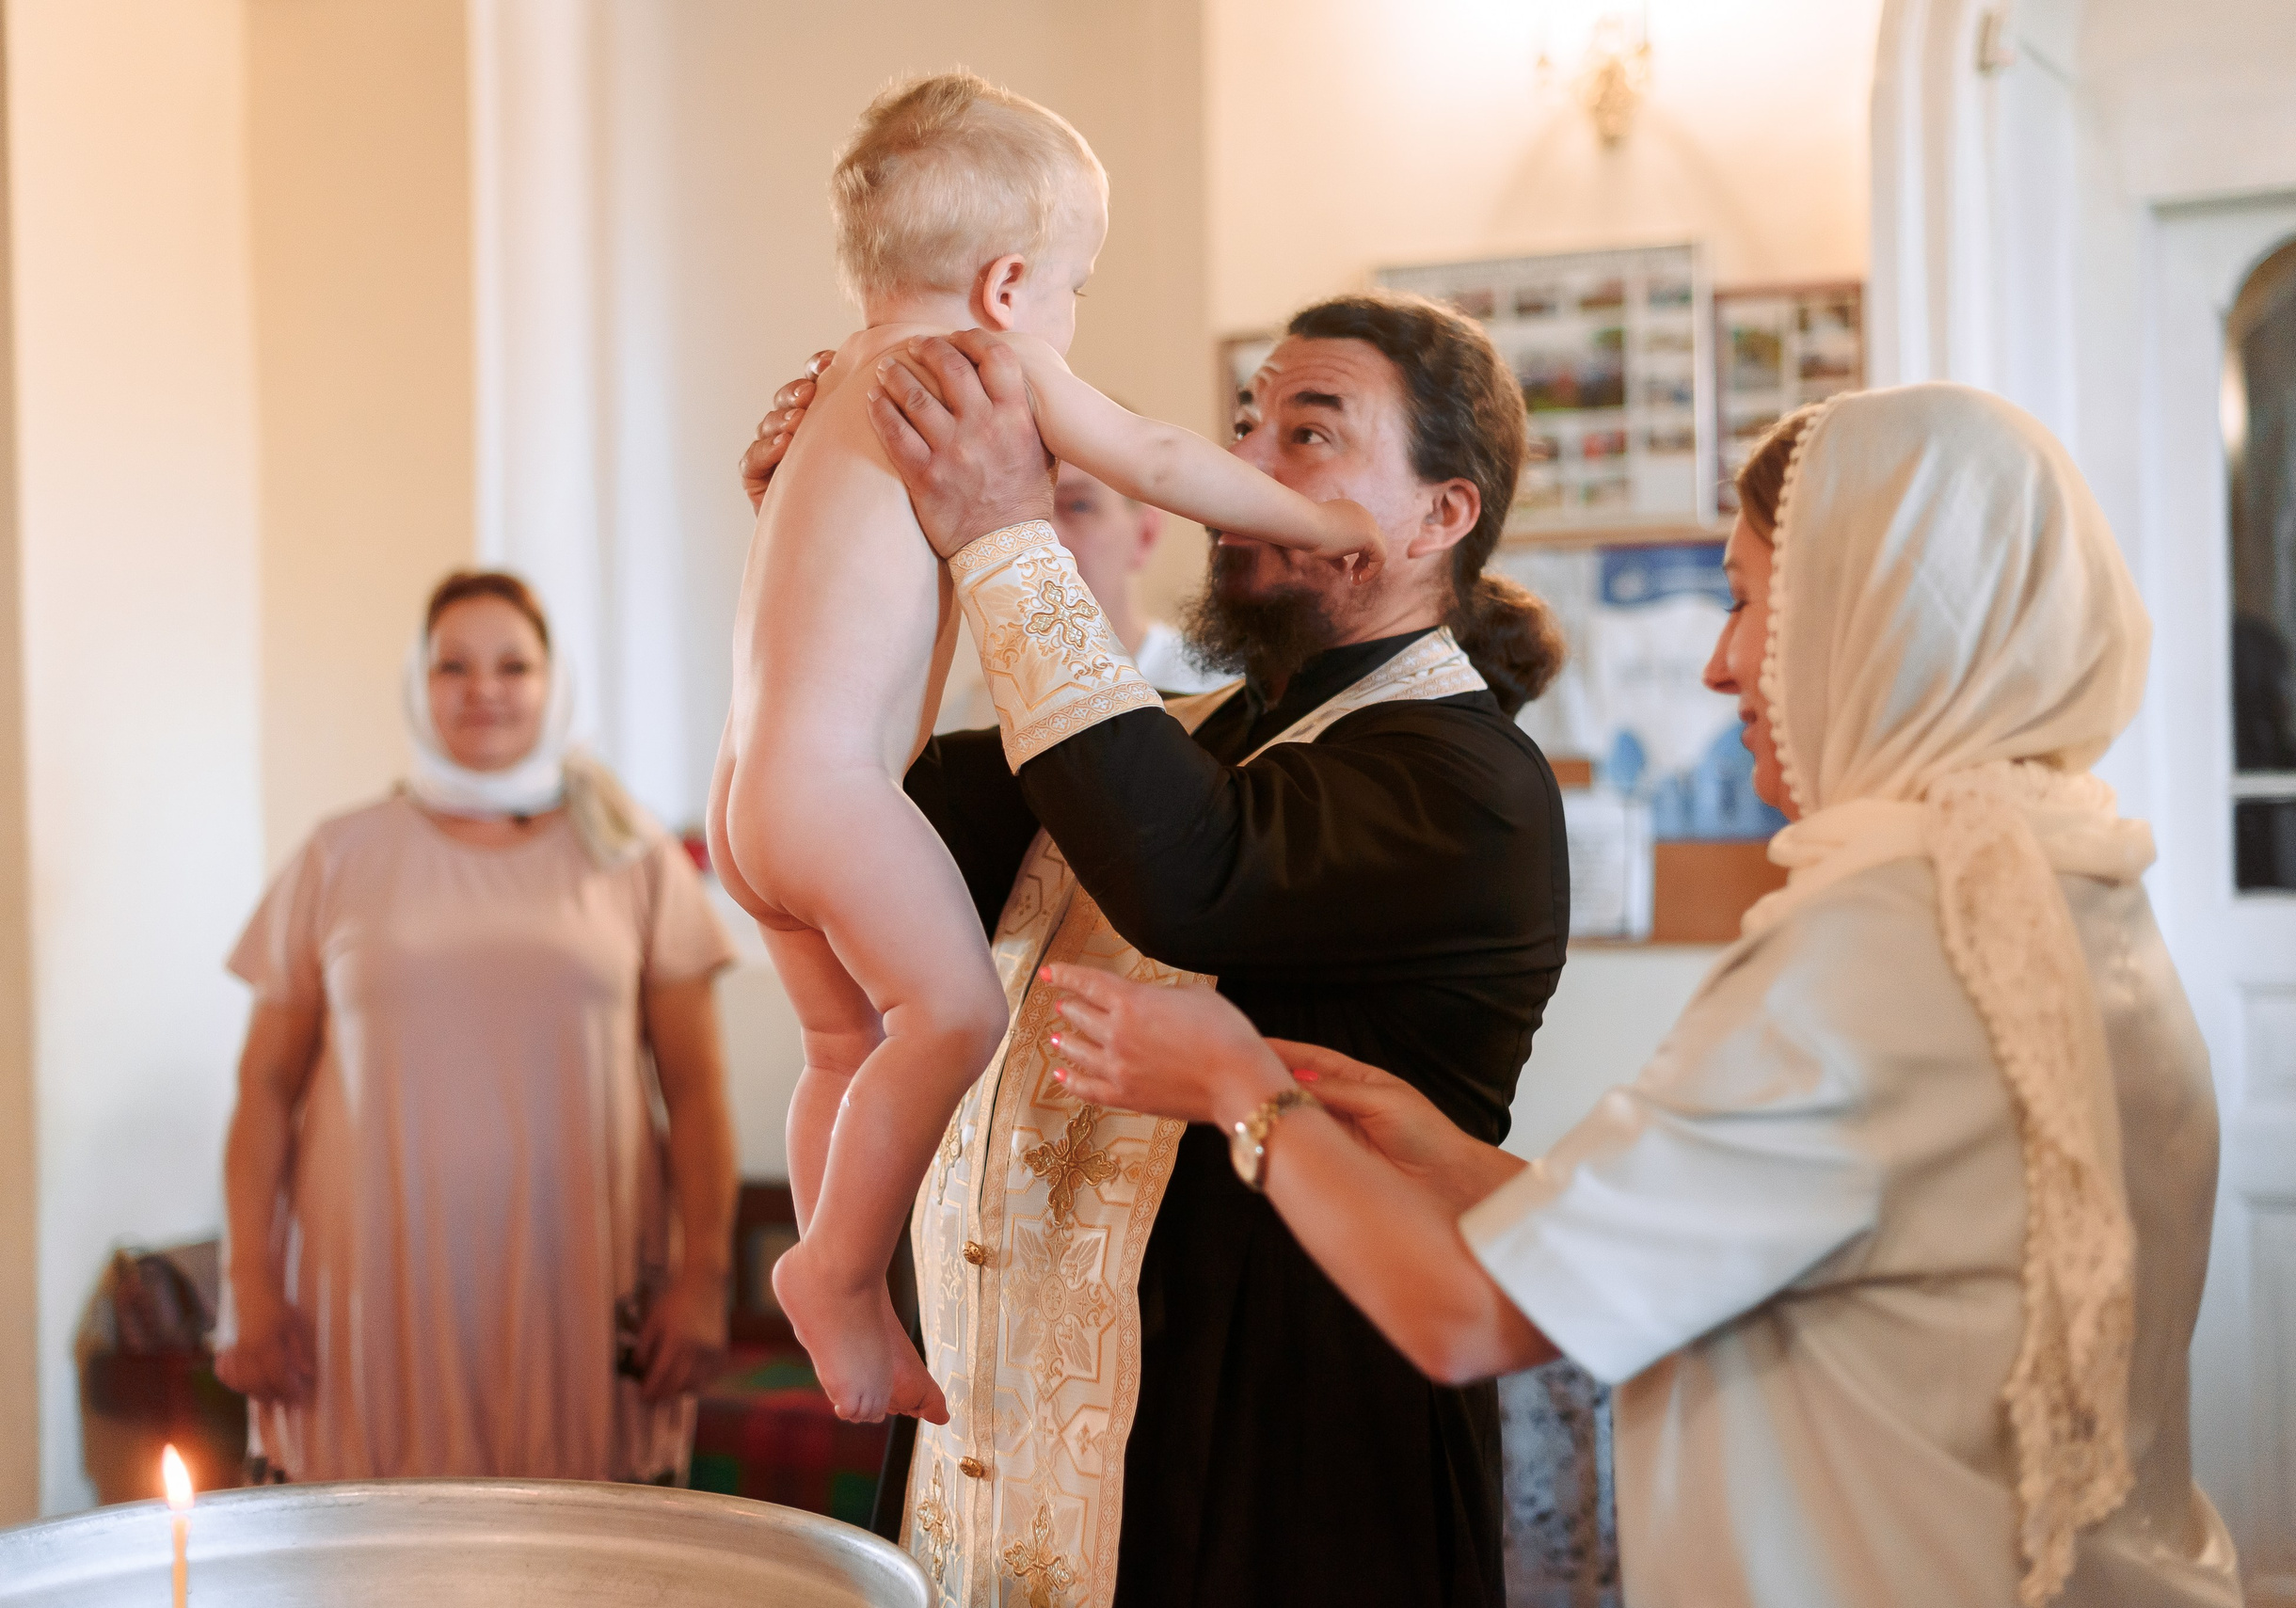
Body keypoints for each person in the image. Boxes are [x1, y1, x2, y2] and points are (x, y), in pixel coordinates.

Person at [1036, 385, 2244, 1608]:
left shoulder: (1887, 943)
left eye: (1748, 604)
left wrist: (1241, 1092)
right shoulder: (2066, 885)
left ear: (1873, 620)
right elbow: (1795, 1246)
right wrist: (1455, 1161)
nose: (1722, 667)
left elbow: (1470, 1322)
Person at [742, 289, 1568, 1608]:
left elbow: (1190, 871)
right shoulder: (1170, 740)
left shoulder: (1470, 782)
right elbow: (851, 813)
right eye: (1246, 428)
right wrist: (836, 524)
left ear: (1441, 516)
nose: (1244, 471)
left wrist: (1002, 527)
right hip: (998, 1463)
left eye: (1309, 434)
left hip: (1275, 1484)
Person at [706, 70, 1379, 1427]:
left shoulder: (843, 381)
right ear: (1010, 284)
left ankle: (844, 1281)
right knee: (951, 1017)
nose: (1072, 318)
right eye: (1077, 286)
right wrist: (1324, 523)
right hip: (835, 795)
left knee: (844, 1046)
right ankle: (833, 1275)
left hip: (746, 800)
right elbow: (1163, 458)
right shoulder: (987, 370)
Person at [215, 569, 740, 1484]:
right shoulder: (339, 855)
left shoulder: (632, 856)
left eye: (513, 664)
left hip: (581, 1294)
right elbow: (263, 1087)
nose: (484, 688)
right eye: (452, 664)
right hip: (364, 1304)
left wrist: (704, 1278)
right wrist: (249, 1287)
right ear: (418, 685)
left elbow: (694, 1091)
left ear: (554, 683)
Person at [937, 456, 1235, 729]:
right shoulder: (965, 720)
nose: (1042, 539)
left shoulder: (1220, 697)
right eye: (1017, 516)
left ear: (1145, 534)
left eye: (1078, 506)